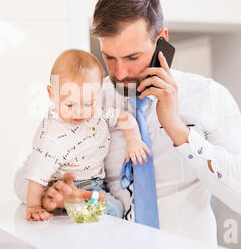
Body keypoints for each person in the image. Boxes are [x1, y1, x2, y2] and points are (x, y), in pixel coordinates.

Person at [14, 0, 241, 244]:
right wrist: (52, 194)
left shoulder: (207, 96)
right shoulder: (87, 101)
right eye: (109, 57)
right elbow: (23, 179)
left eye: (132, 57)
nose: (120, 73)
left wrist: (179, 132)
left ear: (162, 40)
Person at [24, 49, 151, 221]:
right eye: (69, 104)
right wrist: (34, 205)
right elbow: (36, 175)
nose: (79, 112)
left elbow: (124, 118)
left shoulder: (98, 112)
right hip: (67, 186)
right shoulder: (50, 135)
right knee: (114, 210)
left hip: (96, 183)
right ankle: (62, 202)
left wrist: (133, 139)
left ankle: (68, 207)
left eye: (87, 103)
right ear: (51, 95)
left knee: (115, 208)